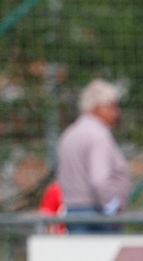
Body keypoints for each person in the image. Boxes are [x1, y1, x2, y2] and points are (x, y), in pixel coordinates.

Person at [55, 79, 130, 233]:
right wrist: (112, 205)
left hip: (72, 211)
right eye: (111, 106)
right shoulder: (99, 135)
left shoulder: (69, 134)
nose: (116, 113)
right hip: (97, 217)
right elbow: (99, 180)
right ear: (97, 107)